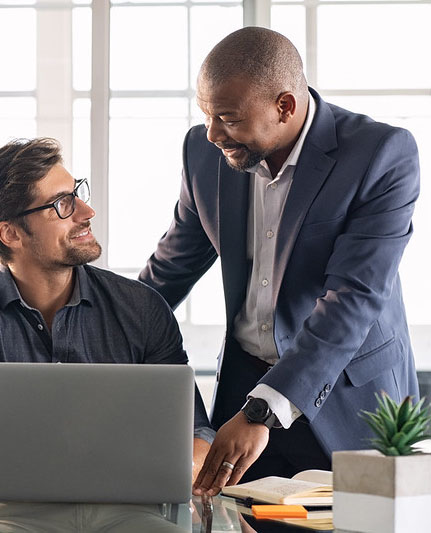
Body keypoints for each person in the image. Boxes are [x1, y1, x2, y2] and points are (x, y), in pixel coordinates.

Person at [139, 26, 421, 495]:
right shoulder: (202, 152)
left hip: (349, 398)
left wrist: (263, 410)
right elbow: (169, 270)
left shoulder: (380, 154)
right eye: (207, 116)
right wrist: (89, 320)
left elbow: (353, 298)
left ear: (284, 106)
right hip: (240, 392)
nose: (212, 134)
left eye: (227, 118)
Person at [0, 137, 213, 480]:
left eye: (77, 193)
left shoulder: (142, 309)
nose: (86, 213)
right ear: (10, 233)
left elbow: (195, 435)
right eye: (61, 205)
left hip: (126, 511)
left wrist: (175, 470)